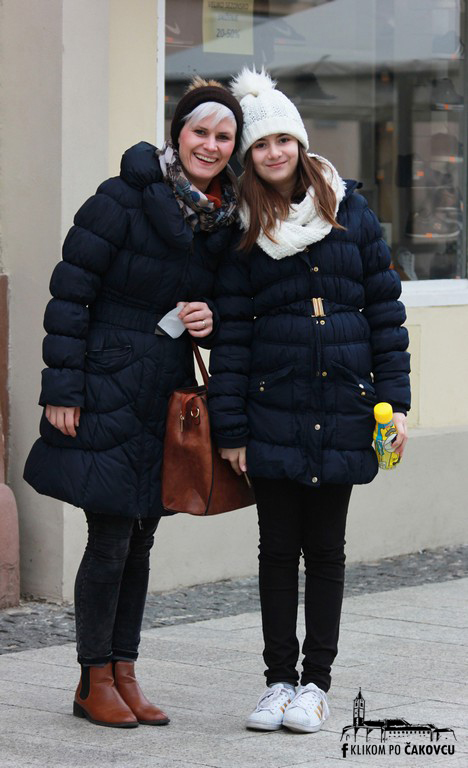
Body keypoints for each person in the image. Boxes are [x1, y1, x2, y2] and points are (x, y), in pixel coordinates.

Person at [23, 77, 243, 729]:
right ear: (178, 132)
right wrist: (62, 389)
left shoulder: (223, 218)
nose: (210, 145)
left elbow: (231, 301)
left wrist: (212, 317)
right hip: (107, 384)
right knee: (112, 535)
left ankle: (125, 671)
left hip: (166, 393)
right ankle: (92, 679)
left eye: (223, 136)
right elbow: (71, 294)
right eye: (200, 131)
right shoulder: (121, 198)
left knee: (143, 535)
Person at [208, 68, 410, 734]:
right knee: (275, 550)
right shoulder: (243, 227)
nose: (274, 153)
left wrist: (395, 404)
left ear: (299, 142)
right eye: (260, 145)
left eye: (283, 141)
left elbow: (385, 314)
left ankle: (316, 685)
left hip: (346, 407)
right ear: (249, 156)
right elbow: (232, 336)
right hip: (272, 409)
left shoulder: (350, 212)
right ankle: (277, 681)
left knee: (325, 551)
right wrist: (230, 430)